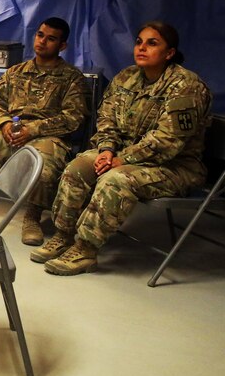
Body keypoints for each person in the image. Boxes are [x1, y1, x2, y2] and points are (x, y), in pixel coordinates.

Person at [31, 21, 211, 276]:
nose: (142, 48)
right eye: (139, 42)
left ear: (169, 53)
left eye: (152, 43)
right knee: (78, 167)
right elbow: (106, 120)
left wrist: (121, 159)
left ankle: (85, 249)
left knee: (116, 180)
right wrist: (106, 150)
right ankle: (64, 235)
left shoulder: (186, 87)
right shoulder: (126, 78)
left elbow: (168, 141)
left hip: (174, 166)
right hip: (121, 155)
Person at [0, 18, 88, 245]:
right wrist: (5, 124)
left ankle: (32, 217)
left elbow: (74, 118)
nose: (42, 42)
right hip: (10, 131)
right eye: (40, 35)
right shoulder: (15, 72)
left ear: (62, 46)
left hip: (46, 136)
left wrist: (33, 129)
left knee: (44, 163)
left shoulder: (71, 78)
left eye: (51, 39)